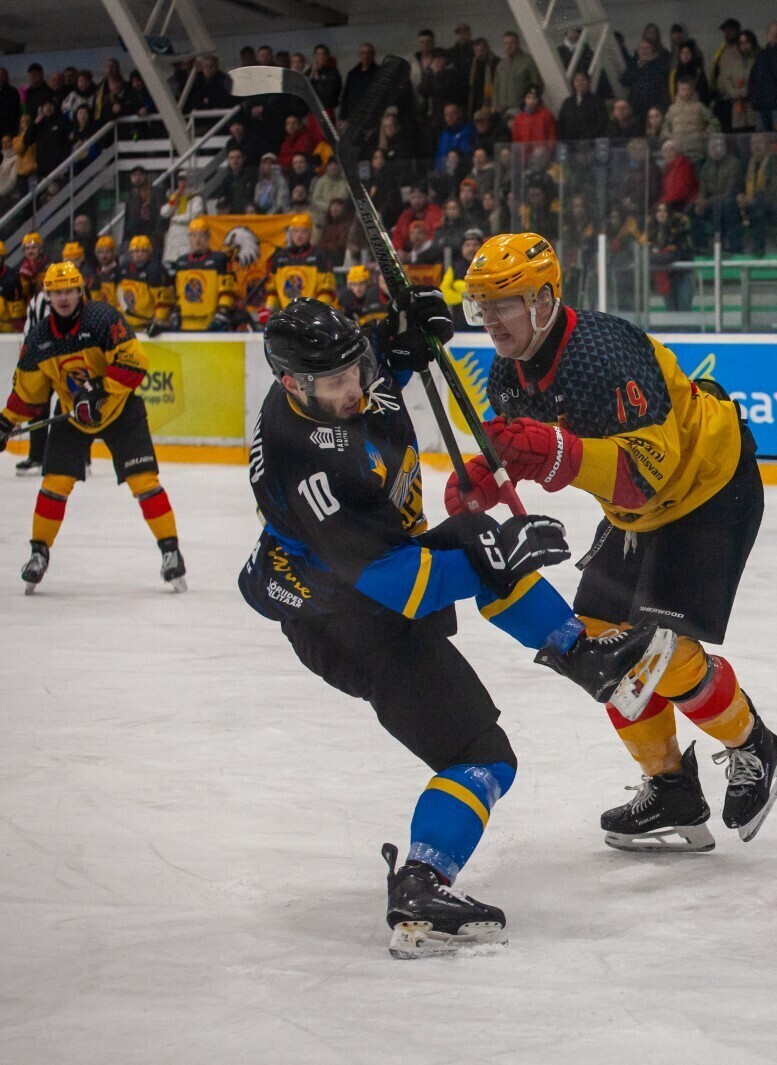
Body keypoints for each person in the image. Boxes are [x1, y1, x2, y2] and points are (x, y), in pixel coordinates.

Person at [240, 295, 674, 957]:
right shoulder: (310, 469)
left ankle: (585, 657)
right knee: (481, 754)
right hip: (347, 621)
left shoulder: (335, 377)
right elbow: (406, 588)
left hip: (373, 571)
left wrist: (405, 329)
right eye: (335, 383)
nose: (354, 388)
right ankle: (421, 886)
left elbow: (381, 355)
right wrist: (503, 556)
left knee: (476, 539)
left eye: (356, 370)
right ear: (292, 385)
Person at [443, 233, 777, 852]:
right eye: (481, 304)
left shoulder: (605, 351)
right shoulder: (506, 372)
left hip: (708, 488)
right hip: (637, 514)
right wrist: (489, 477)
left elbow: (648, 469)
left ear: (545, 300)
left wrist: (553, 451)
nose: (490, 319)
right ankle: (671, 787)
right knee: (600, 643)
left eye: (504, 303)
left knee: (656, 652)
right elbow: (531, 451)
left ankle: (755, 746)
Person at [1, 263, 184, 593]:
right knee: (54, 484)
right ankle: (38, 553)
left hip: (120, 410)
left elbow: (136, 363)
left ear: (79, 291)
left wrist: (99, 388)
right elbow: (29, 394)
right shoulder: (39, 338)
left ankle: (171, 552)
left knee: (144, 482)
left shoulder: (102, 319)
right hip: (73, 416)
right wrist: (5, 421)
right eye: (56, 292)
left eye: (68, 291)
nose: (63, 298)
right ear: (48, 296)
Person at [168, 219, 238, 332]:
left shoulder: (219, 260)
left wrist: (223, 312)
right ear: (189, 238)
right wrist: (176, 312)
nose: (197, 240)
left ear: (208, 238)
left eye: (201, 236)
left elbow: (227, 290)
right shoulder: (181, 262)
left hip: (210, 324)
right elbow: (178, 294)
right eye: (194, 236)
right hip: (185, 325)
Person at [265, 214, 336, 312]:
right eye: (295, 231)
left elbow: (327, 291)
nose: (299, 236)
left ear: (310, 233)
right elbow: (273, 291)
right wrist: (269, 309)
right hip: (286, 314)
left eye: (303, 231)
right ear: (290, 233)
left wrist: (315, 311)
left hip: (311, 314)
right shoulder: (279, 257)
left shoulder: (320, 256)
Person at [111, 235, 174, 333]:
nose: (139, 254)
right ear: (131, 253)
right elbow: (118, 298)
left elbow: (163, 302)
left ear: (149, 252)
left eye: (143, 251)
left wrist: (158, 322)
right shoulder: (123, 270)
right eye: (136, 251)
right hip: (125, 328)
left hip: (146, 328)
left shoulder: (156, 271)